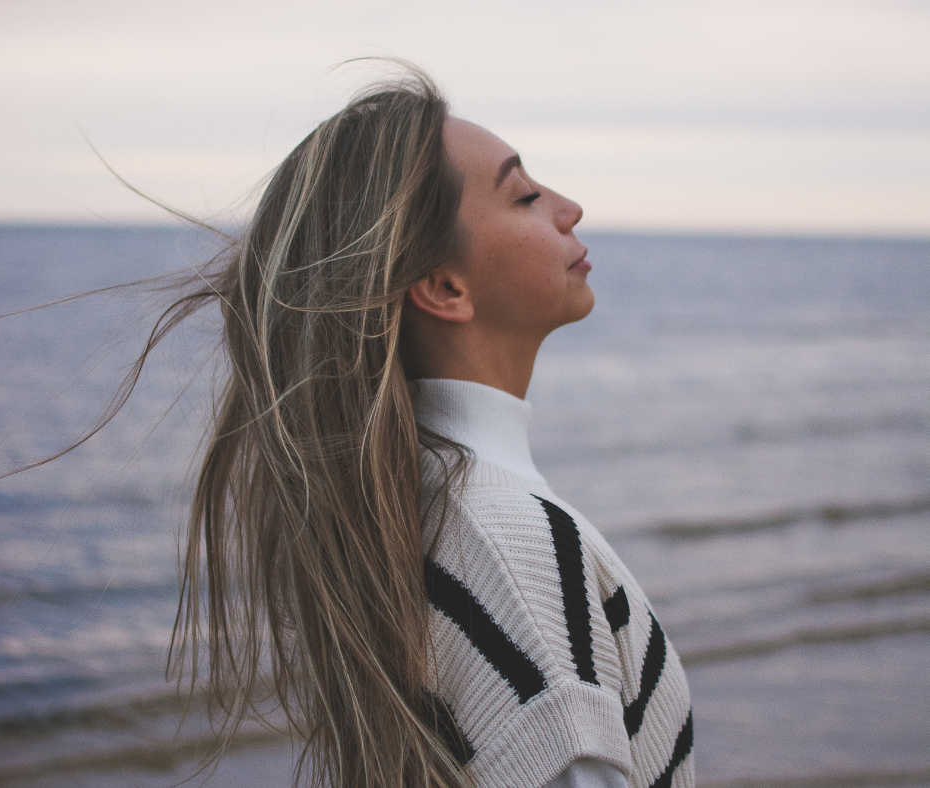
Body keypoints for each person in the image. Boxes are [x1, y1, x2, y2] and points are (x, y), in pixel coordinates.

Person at [38, 64, 693, 788]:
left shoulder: (443, 509)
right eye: (526, 195)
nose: (569, 208)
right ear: (444, 287)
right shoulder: (511, 546)